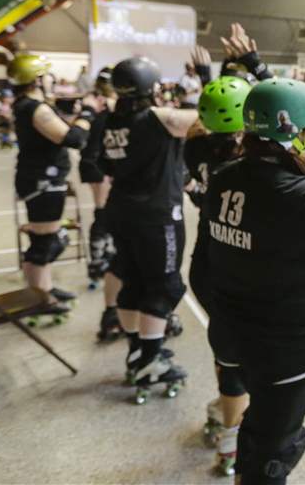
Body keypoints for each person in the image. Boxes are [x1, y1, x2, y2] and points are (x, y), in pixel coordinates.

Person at [205, 77, 305, 483]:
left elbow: (211, 256)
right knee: (273, 449)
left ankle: (230, 444)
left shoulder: (223, 177)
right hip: (287, 345)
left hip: (228, 329)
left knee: (253, 430)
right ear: (301, 134)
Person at [101, 56, 200, 393]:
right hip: (157, 216)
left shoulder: (110, 120)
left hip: (121, 210)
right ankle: (152, 360)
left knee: (133, 283)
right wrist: (199, 85)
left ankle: (138, 352)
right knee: (164, 286)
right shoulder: (159, 118)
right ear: (151, 87)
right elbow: (203, 121)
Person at [187, 74, 252, 475]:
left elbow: (201, 123)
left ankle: (227, 410)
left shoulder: (193, 147)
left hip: (205, 260)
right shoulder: (247, 164)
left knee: (225, 347)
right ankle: (232, 438)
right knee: (238, 361)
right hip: (238, 263)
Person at [9, 52, 99, 316]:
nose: (50, 79)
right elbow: (73, 139)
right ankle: (39, 298)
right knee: (45, 243)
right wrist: (89, 113)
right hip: (43, 181)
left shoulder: (28, 105)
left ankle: (43, 289)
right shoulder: (34, 108)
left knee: (44, 240)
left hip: (41, 179)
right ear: (37, 79)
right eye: (46, 75)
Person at [80, 66, 121, 340]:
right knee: (104, 214)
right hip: (100, 164)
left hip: (92, 162)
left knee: (101, 212)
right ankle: (99, 261)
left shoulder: (94, 102)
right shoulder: (109, 107)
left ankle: (97, 261)